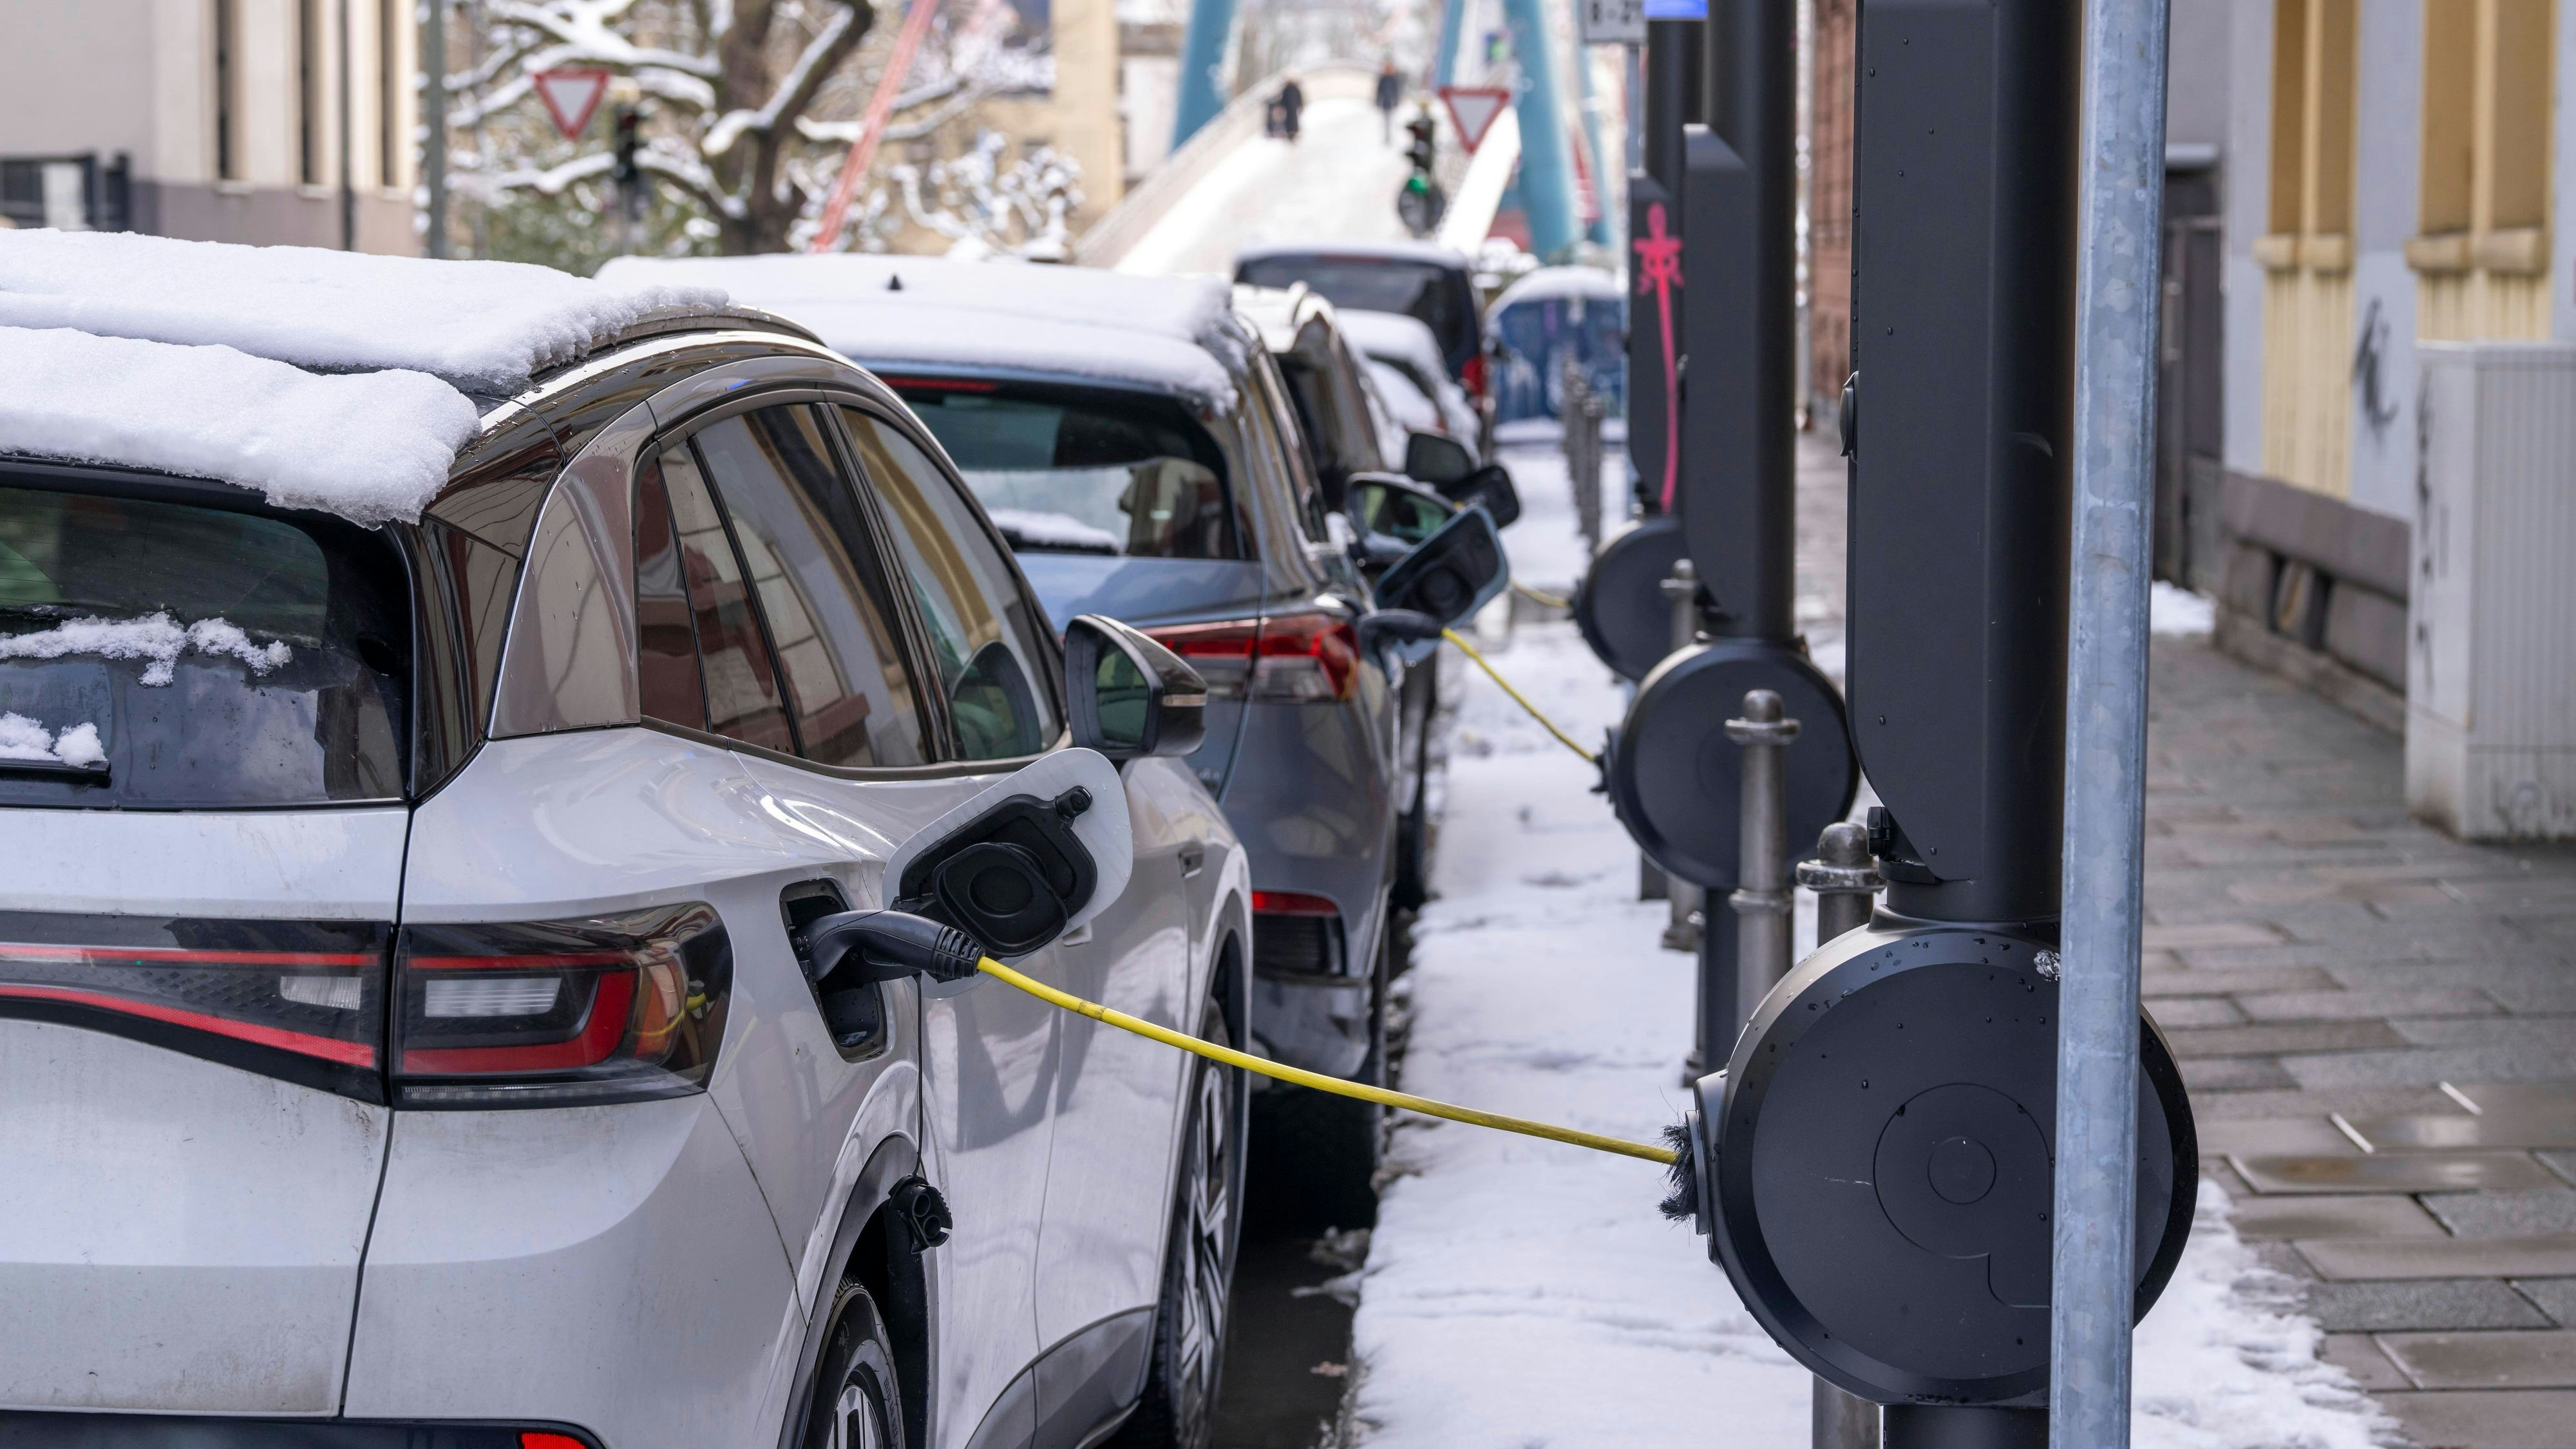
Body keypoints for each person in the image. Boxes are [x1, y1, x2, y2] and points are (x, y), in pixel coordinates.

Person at [1375, 59, 1404, 144]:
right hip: (1385, 103)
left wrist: (1396, 101)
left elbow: (1397, 91)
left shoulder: (1394, 79)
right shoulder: (1383, 79)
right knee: (1385, 121)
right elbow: (1379, 91)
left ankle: (1391, 137)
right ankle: (1386, 137)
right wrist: (1378, 101)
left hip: (1391, 103)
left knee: (1391, 121)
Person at [1275, 74, 1305, 144]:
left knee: (1293, 120)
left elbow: (1298, 98)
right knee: (1291, 120)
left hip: (1291, 108)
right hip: (1290, 108)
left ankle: (1292, 132)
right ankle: (1291, 132)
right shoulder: (1288, 89)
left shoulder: (1291, 89)